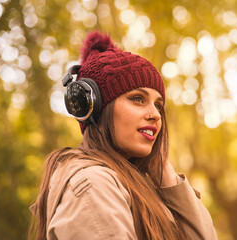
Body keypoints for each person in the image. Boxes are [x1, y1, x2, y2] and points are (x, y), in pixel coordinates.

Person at [29, 31, 218, 240]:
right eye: (137, 98)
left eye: (158, 105)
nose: (155, 114)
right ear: (96, 107)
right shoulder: (94, 185)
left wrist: (165, 172)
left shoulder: (137, 183)